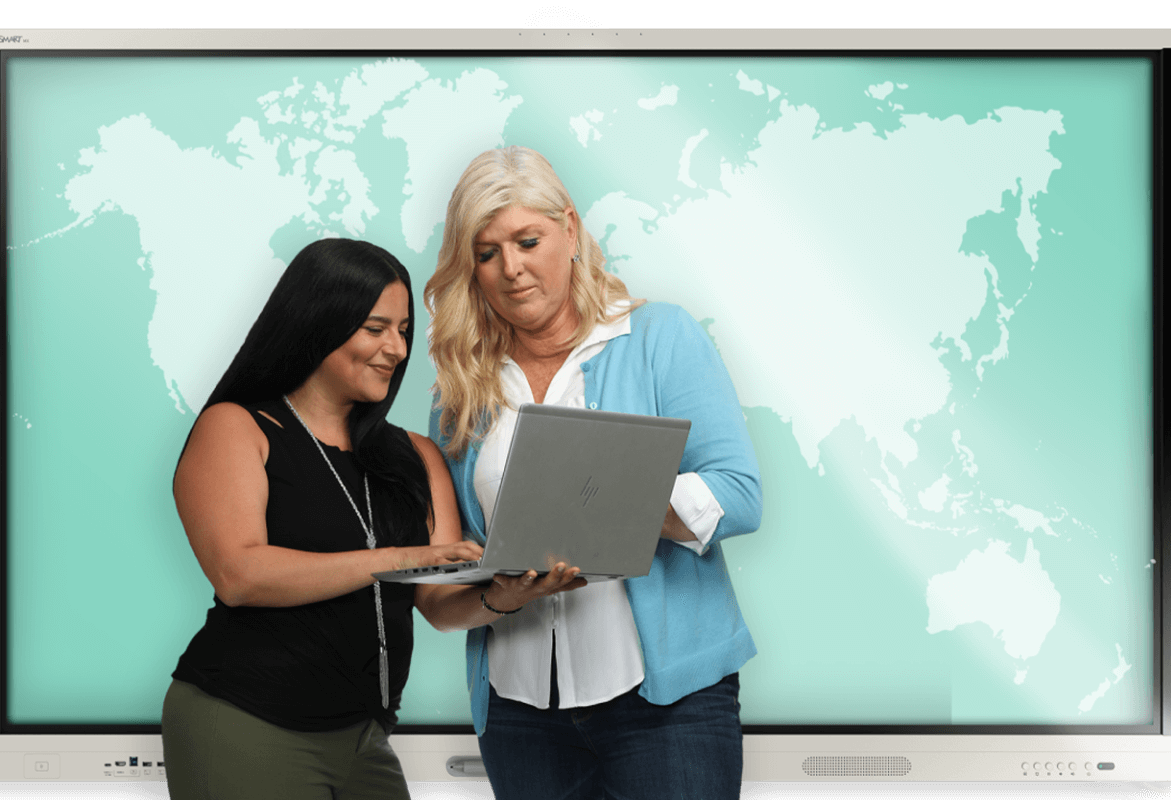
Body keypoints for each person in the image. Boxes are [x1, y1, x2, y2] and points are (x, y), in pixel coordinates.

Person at [416, 146, 763, 800]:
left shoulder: (659, 336)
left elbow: (738, 495)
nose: (511, 268)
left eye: (528, 241)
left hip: (665, 707)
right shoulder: (461, 390)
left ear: (570, 230)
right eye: (487, 253)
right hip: (519, 710)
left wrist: (596, 497)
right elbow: (461, 557)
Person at [162, 239, 483, 800]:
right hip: (245, 718)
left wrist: (508, 595)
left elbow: (438, 603)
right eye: (375, 328)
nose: (396, 349)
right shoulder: (237, 428)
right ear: (318, 321)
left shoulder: (415, 455)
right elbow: (240, 576)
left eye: (404, 330)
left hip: (365, 735)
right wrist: (403, 558)